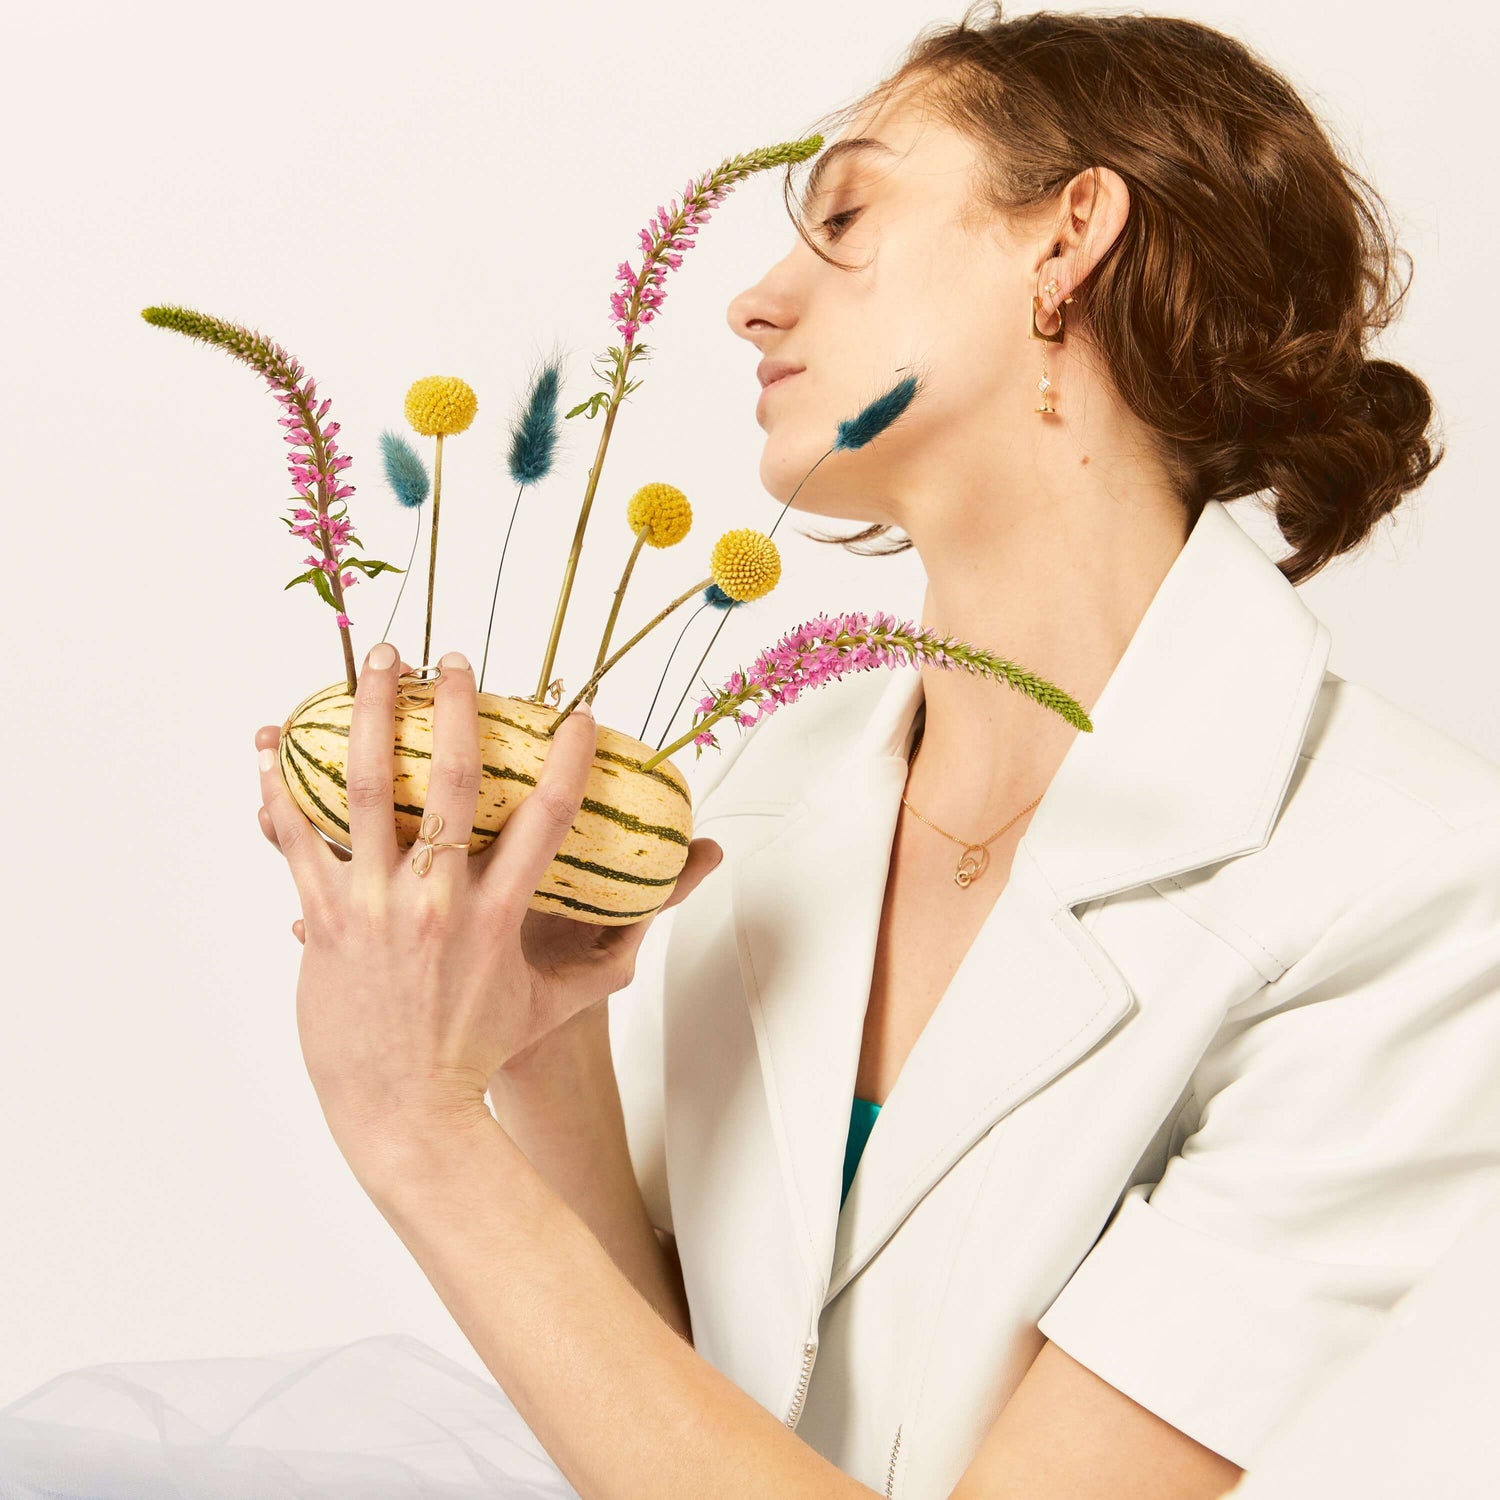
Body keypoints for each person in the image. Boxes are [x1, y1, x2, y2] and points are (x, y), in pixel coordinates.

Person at [5, 4, 1499, 1498]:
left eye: (843, 212)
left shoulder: (1419, 890)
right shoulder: (787, 780)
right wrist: (543, 1048)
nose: (753, 302)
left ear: (1069, 241)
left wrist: (415, 1131)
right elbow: (666, 1422)